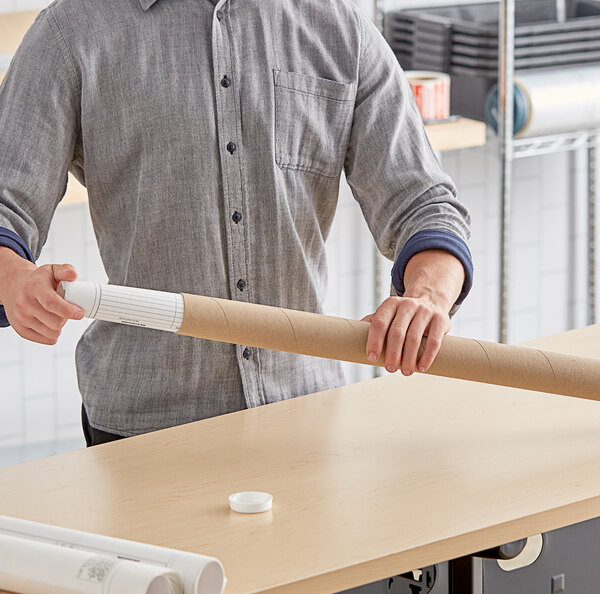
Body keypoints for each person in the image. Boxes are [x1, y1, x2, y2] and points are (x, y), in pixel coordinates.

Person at [0, 0, 472, 446]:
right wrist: (14, 280)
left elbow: (424, 203)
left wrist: (428, 296)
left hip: (305, 415)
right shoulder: (71, 31)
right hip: (142, 430)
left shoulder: (340, 29)